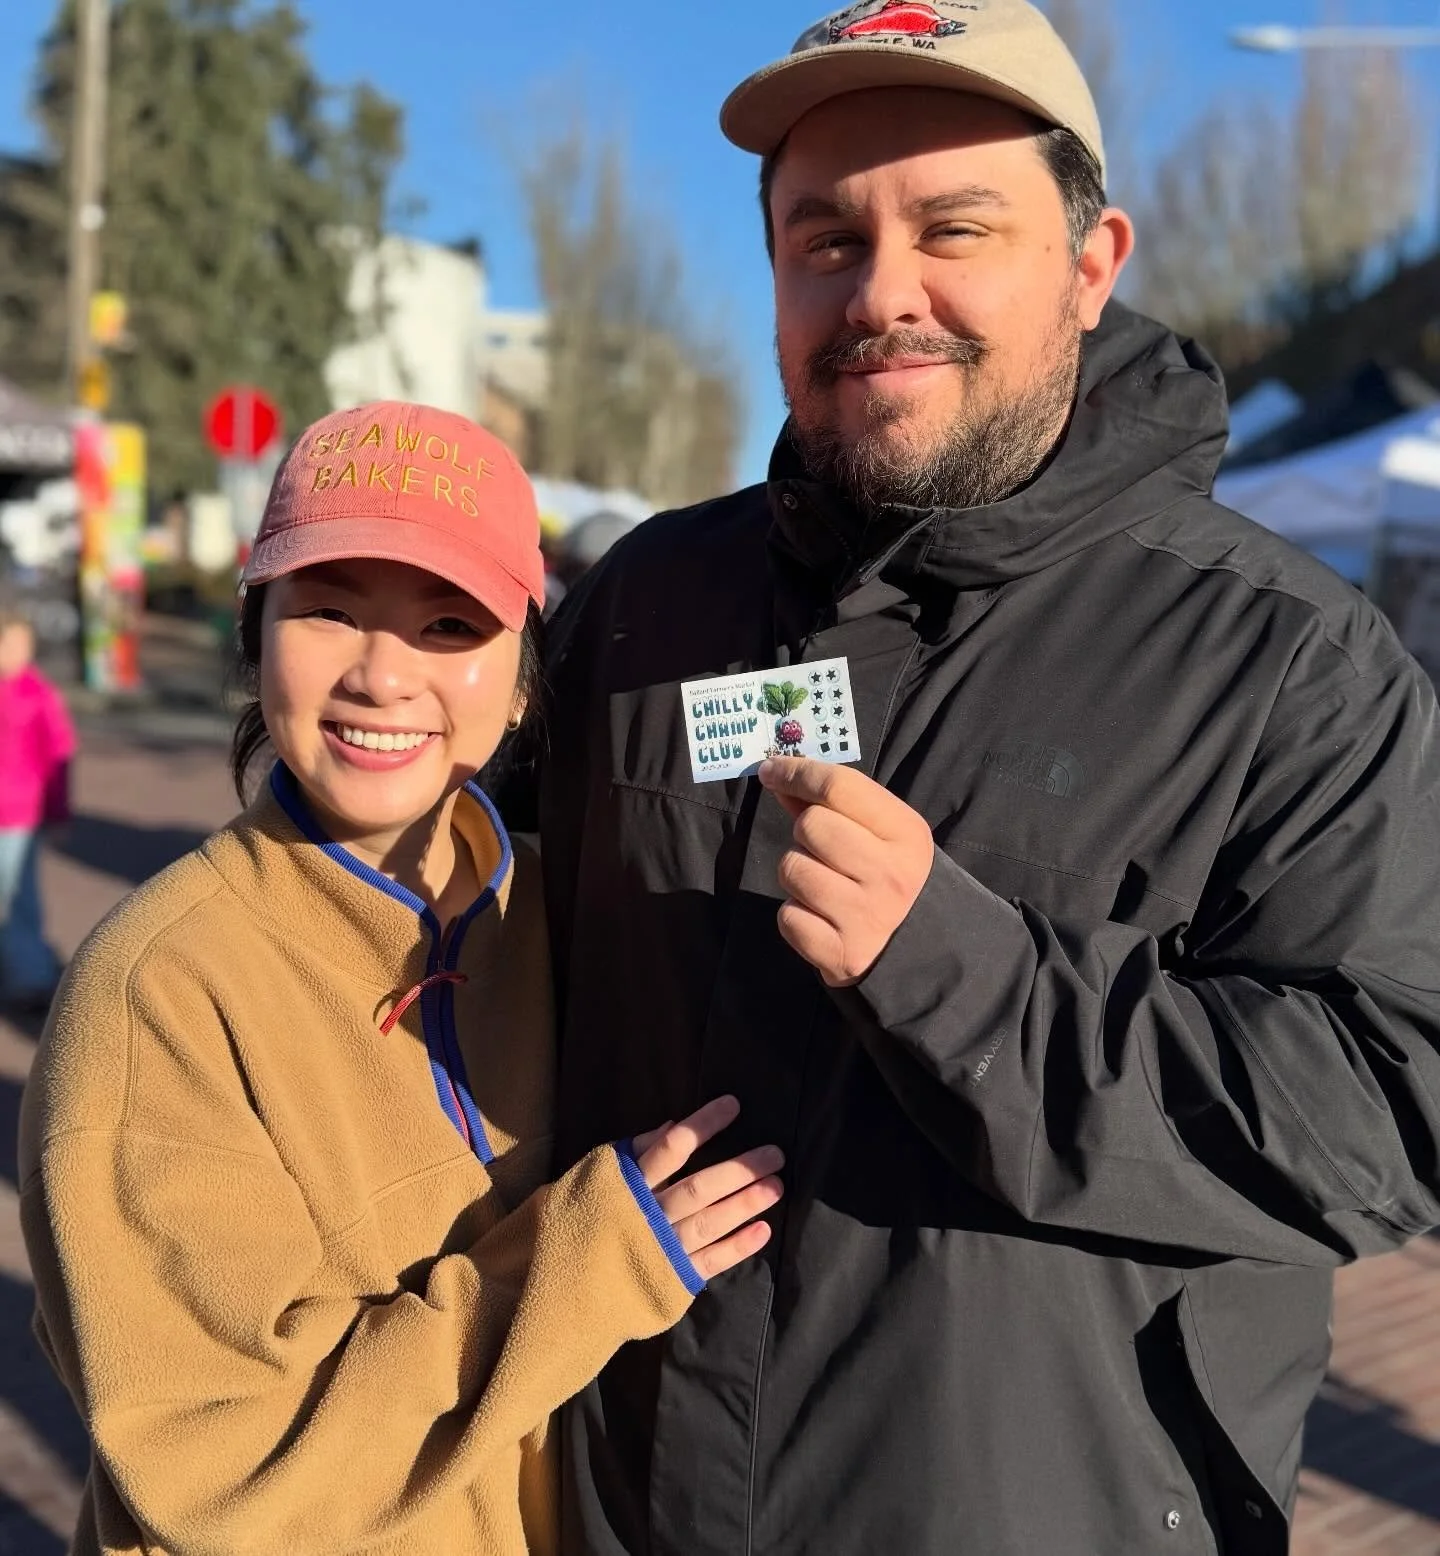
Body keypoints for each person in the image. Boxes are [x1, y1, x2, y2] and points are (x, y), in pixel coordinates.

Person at [517, 4, 1440, 1552]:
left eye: (957, 229)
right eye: (825, 240)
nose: (883, 293)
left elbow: (1396, 1115)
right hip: (628, 1507)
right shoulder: (650, 603)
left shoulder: (1291, 662)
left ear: (1091, 263)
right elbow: (494, 943)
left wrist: (971, 983)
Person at [19, 403, 783, 1555]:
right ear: (254, 629)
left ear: (524, 680)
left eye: (447, 622)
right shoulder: (155, 992)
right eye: (328, 607)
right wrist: (588, 1267)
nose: (383, 674)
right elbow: (232, 1470)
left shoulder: (556, 911)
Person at [0, 601, 75, 1007]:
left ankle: (31, 975)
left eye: (21, 645)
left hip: (19, 816)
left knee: (16, 896)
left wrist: (59, 810)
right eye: (7, 645)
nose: (14, 654)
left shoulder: (39, 695)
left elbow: (59, 755)